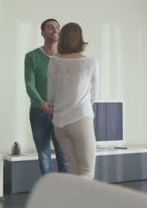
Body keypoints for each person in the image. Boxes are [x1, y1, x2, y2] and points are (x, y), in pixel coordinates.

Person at [47, 22, 99, 179]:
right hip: (80, 120)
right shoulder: (90, 63)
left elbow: (51, 97)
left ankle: (74, 203)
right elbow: (95, 95)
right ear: (80, 39)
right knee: (87, 172)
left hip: (59, 124)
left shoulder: (53, 62)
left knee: (76, 172)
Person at [24, 18, 70, 174]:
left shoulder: (66, 58)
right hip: (38, 112)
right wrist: (41, 103)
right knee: (44, 155)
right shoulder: (31, 57)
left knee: (64, 155)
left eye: (58, 27)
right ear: (43, 33)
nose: (55, 30)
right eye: (50, 27)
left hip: (61, 113)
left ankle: (67, 191)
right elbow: (29, 84)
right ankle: (49, 192)